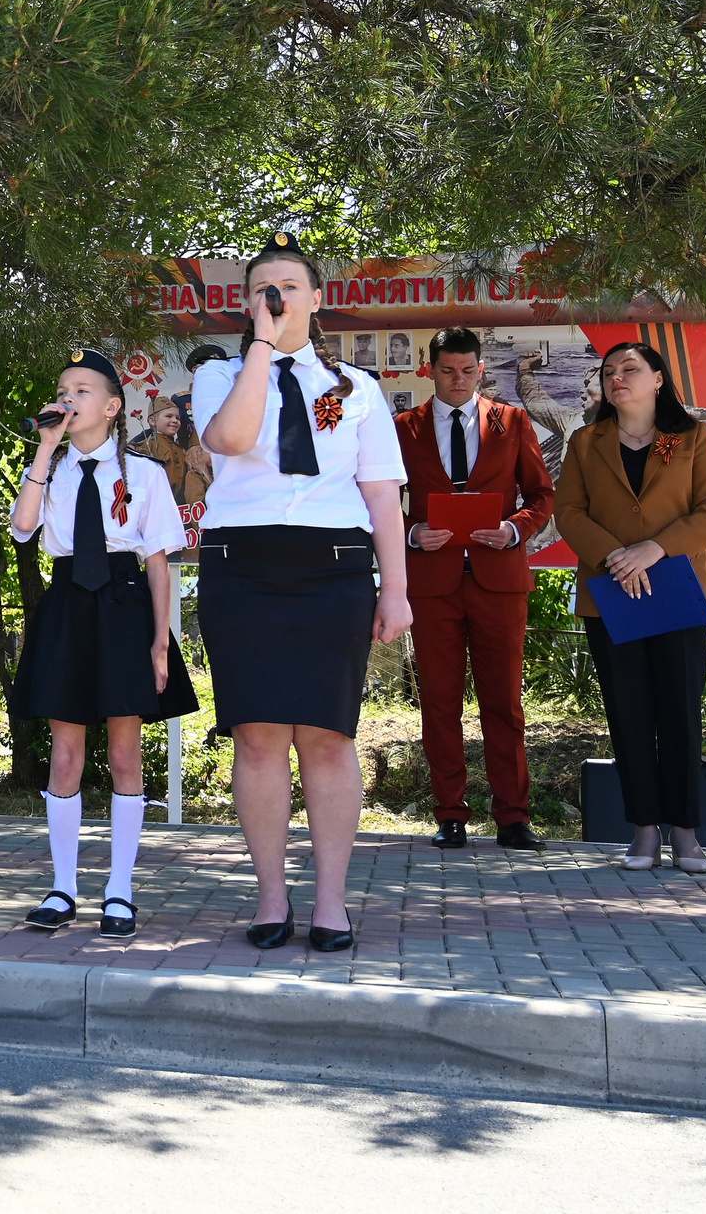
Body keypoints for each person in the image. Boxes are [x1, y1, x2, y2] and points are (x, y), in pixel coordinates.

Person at [194, 232, 412, 952]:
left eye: (289, 285)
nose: (277, 296)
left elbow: (383, 498)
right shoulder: (220, 375)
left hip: (334, 565)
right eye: (263, 286)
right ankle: (269, 896)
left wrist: (396, 590)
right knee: (257, 734)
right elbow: (231, 439)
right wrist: (261, 347)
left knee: (327, 734)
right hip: (243, 561)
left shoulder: (358, 390)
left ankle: (330, 901)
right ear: (248, 301)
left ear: (316, 300)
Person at [8, 349, 198, 938]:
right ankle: (63, 886)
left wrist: (161, 645)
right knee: (65, 754)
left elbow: (160, 562)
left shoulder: (142, 473)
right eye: (63, 389)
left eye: (82, 390)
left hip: (122, 608)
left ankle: (120, 889)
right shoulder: (52, 468)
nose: (69, 398)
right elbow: (21, 526)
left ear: (114, 406)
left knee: (123, 754)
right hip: (67, 606)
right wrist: (43, 447)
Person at [554, 340, 706, 873]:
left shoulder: (689, 437)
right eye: (609, 371)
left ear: (658, 379)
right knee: (628, 713)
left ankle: (685, 831)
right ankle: (643, 831)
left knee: (679, 710)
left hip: (675, 587)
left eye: (630, 369)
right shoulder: (587, 442)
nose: (617, 378)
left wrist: (654, 549)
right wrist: (615, 557)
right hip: (612, 591)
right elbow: (569, 512)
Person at [395, 328, 557, 852]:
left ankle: (513, 817)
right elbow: (372, 501)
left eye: (467, 370)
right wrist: (411, 533)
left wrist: (513, 529)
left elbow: (541, 495)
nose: (458, 380)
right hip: (432, 584)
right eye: (447, 371)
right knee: (439, 703)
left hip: (498, 582)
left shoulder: (511, 421)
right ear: (430, 368)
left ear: (482, 369)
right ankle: (450, 815)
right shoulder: (403, 428)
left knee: (504, 703)